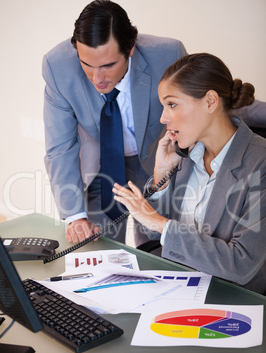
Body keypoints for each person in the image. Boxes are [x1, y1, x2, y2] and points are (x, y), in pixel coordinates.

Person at [43, 0, 266, 247]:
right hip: (101, 164)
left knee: (153, 244)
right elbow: (60, 147)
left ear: (130, 49)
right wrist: (76, 218)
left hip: (155, 158)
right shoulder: (57, 67)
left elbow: (206, 101)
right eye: (87, 65)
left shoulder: (166, 54)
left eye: (108, 66)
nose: (97, 78)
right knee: (95, 248)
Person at [112, 53, 266, 294]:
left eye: (172, 104)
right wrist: (161, 176)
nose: (163, 117)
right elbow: (153, 233)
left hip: (231, 297)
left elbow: (241, 264)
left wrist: (162, 223)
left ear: (210, 102)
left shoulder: (260, 163)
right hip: (177, 286)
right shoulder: (185, 154)